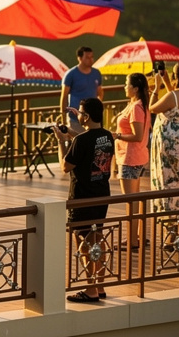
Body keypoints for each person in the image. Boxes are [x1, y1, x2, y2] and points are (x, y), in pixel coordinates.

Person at [52, 97, 114, 303]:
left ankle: (90, 289)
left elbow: (65, 167)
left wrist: (62, 142)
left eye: (80, 113)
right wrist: (71, 133)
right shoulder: (107, 136)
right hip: (102, 194)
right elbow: (90, 141)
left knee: (84, 243)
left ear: (86, 116)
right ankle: (100, 285)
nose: (77, 115)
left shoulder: (80, 141)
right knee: (98, 239)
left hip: (82, 198)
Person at [149, 62, 179, 213]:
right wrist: (168, 84)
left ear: (176, 76)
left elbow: (152, 108)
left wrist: (157, 88)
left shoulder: (172, 96)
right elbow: (177, 104)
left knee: (169, 177)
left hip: (171, 143)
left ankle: (169, 215)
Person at [113, 73, 150, 250]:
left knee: (131, 201)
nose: (124, 86)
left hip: (130, 157)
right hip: (134, 156)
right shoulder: (138, 104)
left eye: (126, 84)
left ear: (135, 88)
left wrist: (117, 135)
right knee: (135, 199)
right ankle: (137, 236)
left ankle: (133, 240)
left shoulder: (136, 107)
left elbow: (137, 135)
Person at [60, 47, 103, 130]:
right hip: (76, 118)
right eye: (87, 57)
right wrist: (63, 118)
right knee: (78, 140)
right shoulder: (71, 74)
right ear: (79, 58)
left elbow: (100, 91)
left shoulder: (96, 73)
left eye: (92, 57)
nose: (91, 60)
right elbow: (64, 96)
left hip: (92, 119)